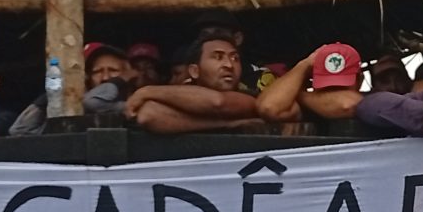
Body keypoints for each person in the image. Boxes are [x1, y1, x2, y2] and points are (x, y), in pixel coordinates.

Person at [126, 33, 264, 132]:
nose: (229, 64)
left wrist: (147, 91)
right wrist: (227, 124)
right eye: (218, 57)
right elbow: (149, 115)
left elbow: (218, 102)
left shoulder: (250, 98)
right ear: (194, 71)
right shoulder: (183, 95)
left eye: (235, 58)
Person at [258, 43, 366, 124]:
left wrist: (300, 95)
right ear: (312, 81)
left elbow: (347, 105)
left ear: (360, 80)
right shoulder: (301, 109)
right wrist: (303, 65)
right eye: (327, 87)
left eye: (341, 86)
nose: (334, 94)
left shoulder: (373, 105)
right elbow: (269, 108)